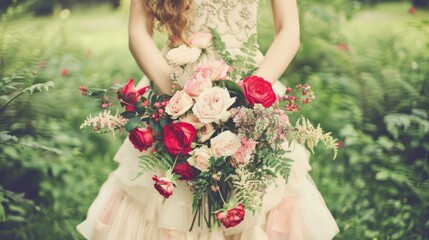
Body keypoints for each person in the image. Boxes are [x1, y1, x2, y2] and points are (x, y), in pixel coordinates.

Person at [77, 0, 340, 239]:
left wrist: (248, 94)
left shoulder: (249, 92)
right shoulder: (177, 94)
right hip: (175, 81)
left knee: (254, 191)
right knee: (168, 188)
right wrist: (180, 98)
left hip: (248, 81)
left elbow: (289, 31)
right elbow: (138, 32)